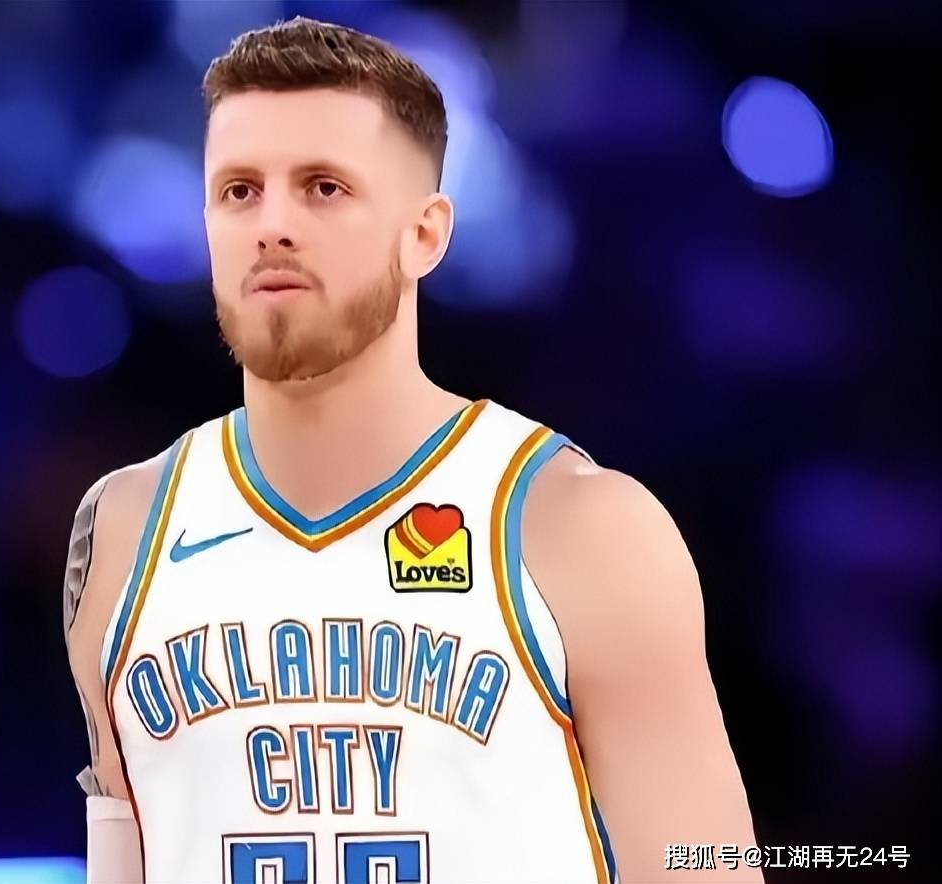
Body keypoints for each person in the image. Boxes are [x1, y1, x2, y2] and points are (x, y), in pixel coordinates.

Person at [62, 16, 761, 883]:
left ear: (426, 233)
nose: (272, 224)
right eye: (240, 191)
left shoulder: (582, 528)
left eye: (323, 187)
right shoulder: (122, 529)